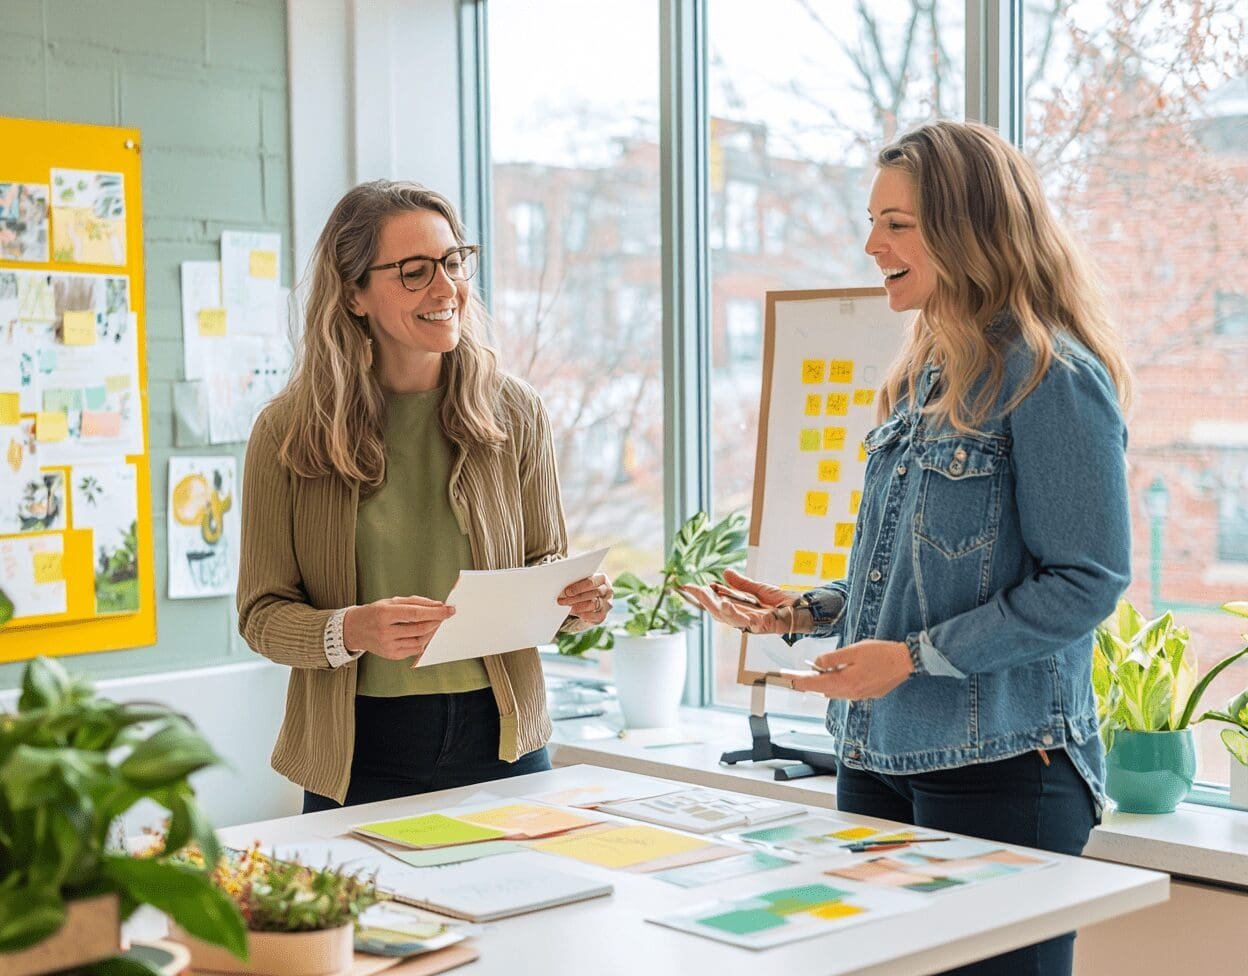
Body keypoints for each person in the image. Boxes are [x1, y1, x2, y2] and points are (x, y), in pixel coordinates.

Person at [683, 120, 1131, 976]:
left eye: (897, 223)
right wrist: (806, 611)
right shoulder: (923, 373)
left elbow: (1087, 581)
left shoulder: (1052, 376)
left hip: (1004, 772)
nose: (871, 243)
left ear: (968, 231)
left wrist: (915, 657)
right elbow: (921, 574)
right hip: (876, 759)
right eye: (872, 220)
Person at [237, 180, 612, 813]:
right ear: (354, 293)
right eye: (415, 272)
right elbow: (262, 614)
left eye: (454, 261)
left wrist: (576, 599)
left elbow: (548, 566)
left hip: (506, 741)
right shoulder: (288, 432)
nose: (447, 289)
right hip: (360, 751)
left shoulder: (515, 412)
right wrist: (351, 629)